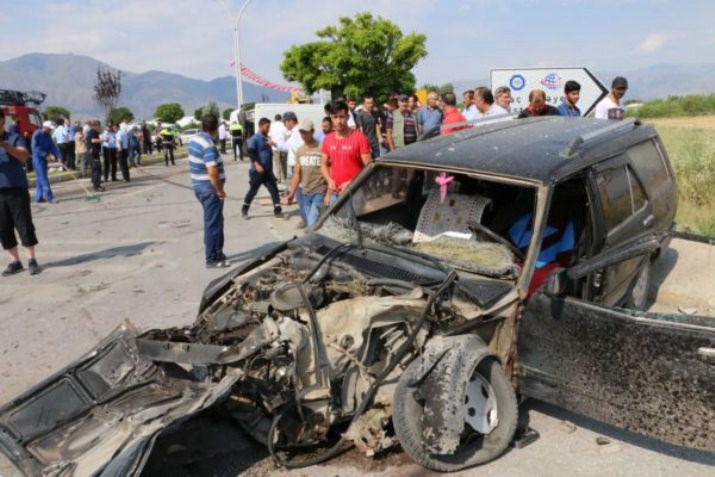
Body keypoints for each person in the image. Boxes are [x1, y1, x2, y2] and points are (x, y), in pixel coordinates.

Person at [0, 109, 41, 275]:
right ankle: (15, 261)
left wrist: (3, 144)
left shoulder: (14, 137)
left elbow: (23, 156)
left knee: (23, 224)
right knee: (3, 228)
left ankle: (31, 259)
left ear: (2, 120)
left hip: (16, 188)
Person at [189, 113, 229, 268]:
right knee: (213, 224)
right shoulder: (208, 145)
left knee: (215, 221)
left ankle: (217, 251)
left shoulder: (195, 139)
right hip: (209, 190)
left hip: (199, 187)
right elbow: (212, 171)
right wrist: (219, 190)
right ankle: (212, 258)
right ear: (216, 128)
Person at [320, 100, 371, 202]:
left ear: (347, 117)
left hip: (355, 192)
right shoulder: (328, 139)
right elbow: (323, 164)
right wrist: (329, 181)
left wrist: (352, 183)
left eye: (341, 117)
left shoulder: (360, 138)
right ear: (331, 118)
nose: (338, 121)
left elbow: (369, 167)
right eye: (335, 117)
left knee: (353, 218)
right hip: (335, 193)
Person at [286, 119, 327, 228]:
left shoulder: (322, 147)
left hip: (319, 191)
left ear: (312, 132)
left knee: (312, 222)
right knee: (311, 222)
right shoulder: (300, 151)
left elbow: (328, 169)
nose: (303, 135)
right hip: (305, 192)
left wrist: (329, 192)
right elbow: (297, 174)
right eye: (301, 132)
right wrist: (292, 193)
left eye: (306, 132)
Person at [243, 117, 283, 218]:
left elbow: (269, 154)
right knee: (253, 191)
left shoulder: (267, 138)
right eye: (267, 126)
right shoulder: (255, 138)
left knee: (274, 190)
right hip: (257, 171)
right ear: (260, 126)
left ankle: (277, 210)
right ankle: (245, 209)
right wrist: (257, 165)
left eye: (269, 126)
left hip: (267, 171)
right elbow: (251, 152)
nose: (268, 128)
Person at [31, 120, 62, 203]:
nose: (50, 130)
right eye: (49, 129)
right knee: (43, 178)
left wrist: (58, 156)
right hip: (37, 158)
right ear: (45, 127)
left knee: (40, 178)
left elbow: (52, 147)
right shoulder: (37, 134)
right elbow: (35, 148)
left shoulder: (48, 136)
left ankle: (38, 197)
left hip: (44, 159)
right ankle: (50, 197)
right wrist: (45, 154)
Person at [268, 114, 288, 183]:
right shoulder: (284, 125)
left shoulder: (272, 126)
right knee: (284, 163)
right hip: (283, 147)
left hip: (275, 147)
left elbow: (269, 137)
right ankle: (284, 178)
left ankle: (278, 178)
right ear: (281, 119)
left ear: (275, 119)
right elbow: (287, 136)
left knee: (276, 164)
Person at [85, 120, 104, 192]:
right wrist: (102, 140)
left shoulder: (90, 132)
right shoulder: (93, 132)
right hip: (93, 154)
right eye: (99, 126)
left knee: (94, 169)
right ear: (96, 126)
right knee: (97, 170)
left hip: (92, 153)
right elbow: (93, 140)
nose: (99, 127)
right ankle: (97, 186)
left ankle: (94, 182)